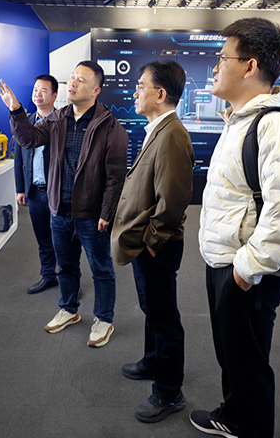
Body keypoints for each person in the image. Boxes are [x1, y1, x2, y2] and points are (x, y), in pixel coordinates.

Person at [192, 18, 280, 438]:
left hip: (247, 271)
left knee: (249, 365)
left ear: (249, 66)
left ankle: (251, 426)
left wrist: (247, 269)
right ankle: (233, 417)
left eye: (222, 58)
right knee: (233, 357)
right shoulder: (241, 119)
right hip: (226, 259)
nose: (215, 67)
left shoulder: (274, 125)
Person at [0, 61, 128, 348]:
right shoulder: (57, 119)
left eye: (81, 80)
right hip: (59, 210)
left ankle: (104, 318)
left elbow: (115, 177)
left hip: (92, 214)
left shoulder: (109, 126)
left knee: (101, 269)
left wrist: (107, 212)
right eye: (72, 77)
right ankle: (69, 309)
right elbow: (28, 139)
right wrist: (15, 110)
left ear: (96, 90)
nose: (73, 83)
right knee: (66, 267)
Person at [111, 60, 194, 423]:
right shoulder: (158, 130)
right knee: (152, 309)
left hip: (157, 245)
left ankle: (169, 391)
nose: (134, 92)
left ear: (160, 94)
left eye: (140, 86)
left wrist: (152, 241)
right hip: (147, 242)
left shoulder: (172, 135)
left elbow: (173, 200)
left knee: (164, 319)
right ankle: (152, 361)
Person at [14, 74, 59, 294]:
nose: (38, 94)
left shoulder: (63, 122)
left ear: (54, 95)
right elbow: (19, 158)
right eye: (35, 90)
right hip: (34, 192)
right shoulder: (25, 122)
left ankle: (70, 281)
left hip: (57, 193)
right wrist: (20, 189)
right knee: (43, 239)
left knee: (64, 241)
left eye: (43, 90)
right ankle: (48, 276)